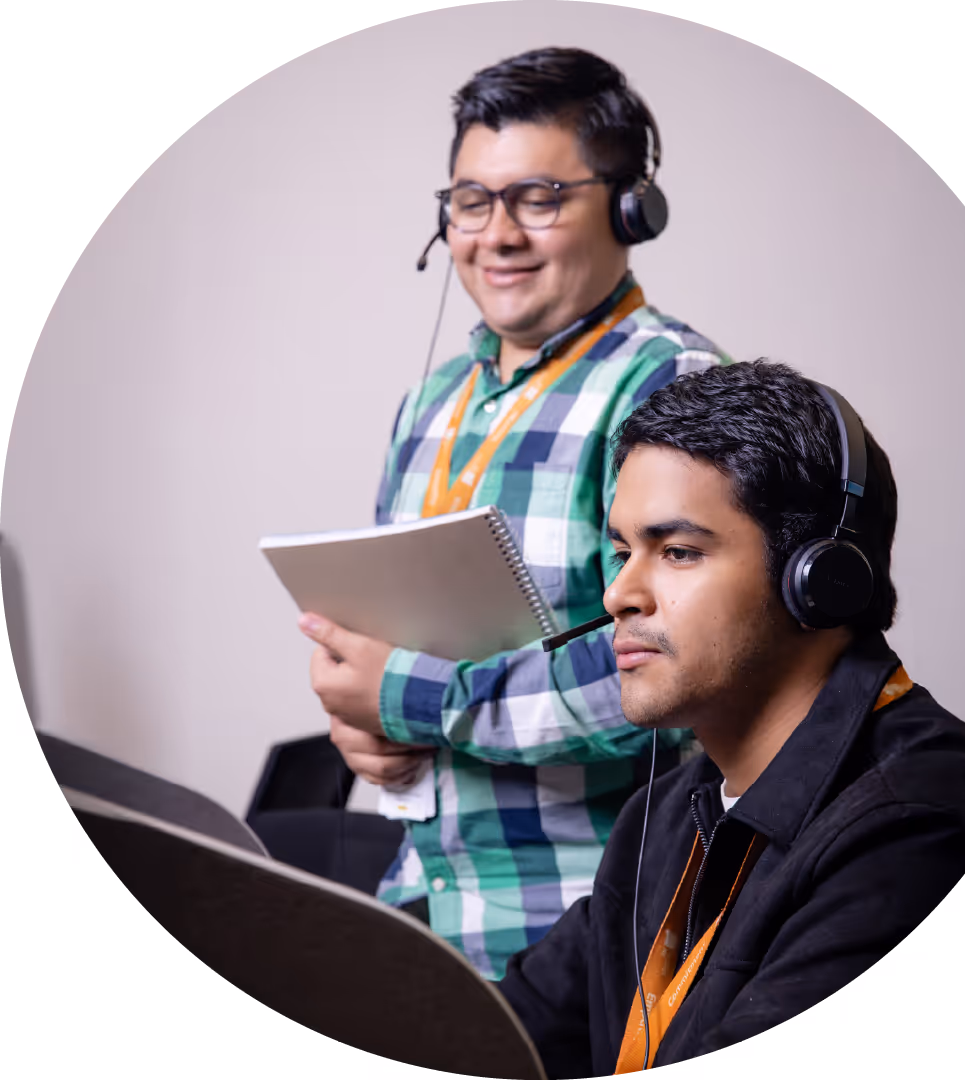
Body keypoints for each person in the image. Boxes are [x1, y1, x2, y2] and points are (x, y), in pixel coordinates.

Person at [296, 47, 730, 979]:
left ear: (630, 208)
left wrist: (410, 698)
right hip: (423, 908)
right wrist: (366, 725)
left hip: (588, 929)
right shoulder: (431, 404)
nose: (496, 235)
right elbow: (395, 652)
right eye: (470, 201)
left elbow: (675, 669)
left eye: (537, 198)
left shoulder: (675, 388)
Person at [497, 360, 965, 1075]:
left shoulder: (923, 817)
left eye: (678, 552)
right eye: (622, 552)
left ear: (820, 578)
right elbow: (496, 1030)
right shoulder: (662, 818)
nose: (619, 594)